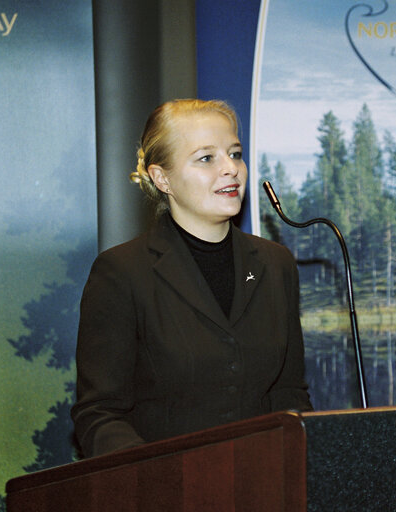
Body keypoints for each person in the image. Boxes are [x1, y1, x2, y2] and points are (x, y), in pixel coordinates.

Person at [71, 99, 312, 458]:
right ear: (162, 178)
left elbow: (290, 394)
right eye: (207, 158)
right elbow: (100, 414)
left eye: (235, 153)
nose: (231, 169)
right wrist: (156, 481)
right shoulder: (122, 272)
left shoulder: (276, 265)